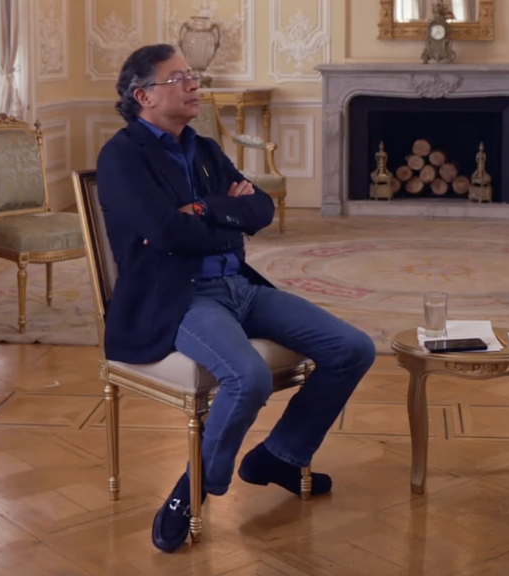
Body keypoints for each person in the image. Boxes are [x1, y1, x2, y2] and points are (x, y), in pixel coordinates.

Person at [97, 44, 376, 554]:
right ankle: (193, 488)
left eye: (191, 74)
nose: (192, 83)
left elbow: (260, 211)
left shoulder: (202, 148)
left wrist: (202, 208)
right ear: (144, 95)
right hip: (174, 298)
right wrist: (224, 216)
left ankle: (281, 455)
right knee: (245, 377)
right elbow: (166, 232)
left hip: (238, 286)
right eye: (178, 77)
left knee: (353, 347)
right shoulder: (121, 155)